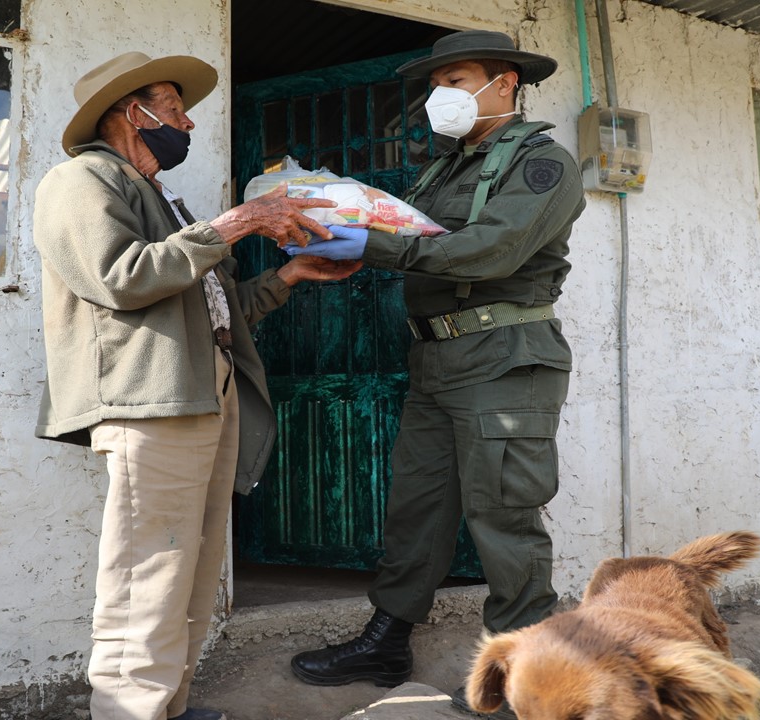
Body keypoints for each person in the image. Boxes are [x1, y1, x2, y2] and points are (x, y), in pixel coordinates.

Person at [32, 52, 363, 720]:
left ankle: (167, 706)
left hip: (203, 390)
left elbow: (213, 308)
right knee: (148, 571)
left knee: (193, 565)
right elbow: (120, 278)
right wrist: (237, 222)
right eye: (175, 109)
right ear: (134, 112)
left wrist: (288, 277)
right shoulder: (81, 179)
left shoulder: (157, 194)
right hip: (151, 399)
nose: (186, 124)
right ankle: (129, 713)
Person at [284, 30, 587, 718]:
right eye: (437, 83)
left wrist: (376, 245)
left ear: (505, 82)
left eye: (457, 79)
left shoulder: (542, 164)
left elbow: (492, 250)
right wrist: (356, 237)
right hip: (436, 359)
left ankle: (524, 682)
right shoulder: (445, 168)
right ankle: (387, 641)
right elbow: (423, 241)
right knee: (416, 511)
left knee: (504, 519)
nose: (441, 95)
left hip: (504, 360)